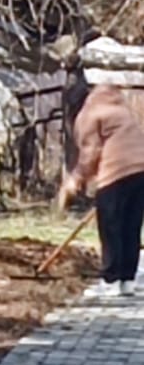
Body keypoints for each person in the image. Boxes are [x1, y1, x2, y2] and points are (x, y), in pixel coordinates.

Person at [60, 81, 144, 299]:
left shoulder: (90, 114)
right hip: (141, 171)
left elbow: (91, 152)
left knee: (110, 227)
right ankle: (127, 280)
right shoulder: (123, 111)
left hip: (114, 172)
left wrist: (76, 179)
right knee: (130, 226)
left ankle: (111, 280)